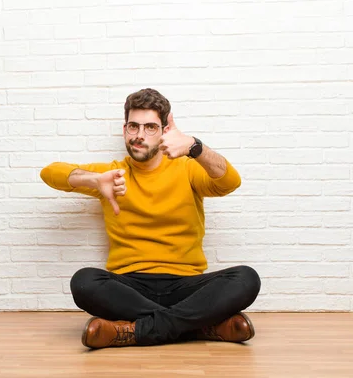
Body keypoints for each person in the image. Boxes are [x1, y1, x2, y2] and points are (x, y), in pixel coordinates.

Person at [40, 88, 261, 349]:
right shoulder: (111, 175)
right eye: (133, 126)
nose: (139, 135)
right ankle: (200, 326)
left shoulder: (188, 169)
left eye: (150, 127)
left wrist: (194, 147)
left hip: (186, 284)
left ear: (165, 131)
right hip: (131, 287)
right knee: (84, 282)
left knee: (246, 278)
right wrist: (93, 180)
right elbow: (50, 173)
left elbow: (229, 181)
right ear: (125, 130)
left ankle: (132, 331)